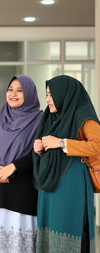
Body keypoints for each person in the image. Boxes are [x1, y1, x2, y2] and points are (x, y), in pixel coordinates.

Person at [33, 75, 100, 253]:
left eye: (51, 95)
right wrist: (39, 148)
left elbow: (97, 146)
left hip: (73, 181)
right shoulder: (51, 117)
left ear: (65, 94)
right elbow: (47, 144)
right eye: (46, 94)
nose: (47, 100)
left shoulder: (84, 116)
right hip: (50, 184)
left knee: (70, 224)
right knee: (51, 226)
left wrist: (62, 143)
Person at [0, 75, 42, 253]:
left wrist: (13, 166)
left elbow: (40, 152)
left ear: (30, 93)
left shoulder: (40, 120)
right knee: (3, 245)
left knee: (24, 243)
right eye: (10, 89)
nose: (13, 94)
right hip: (0, 187)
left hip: (24, 189)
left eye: (19, 90)